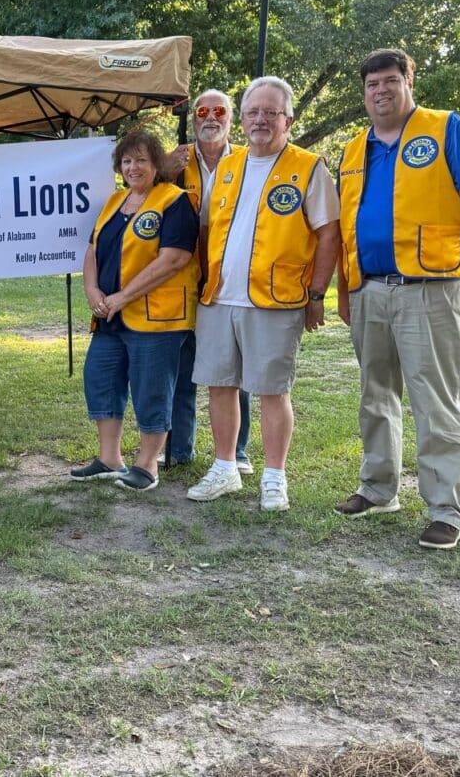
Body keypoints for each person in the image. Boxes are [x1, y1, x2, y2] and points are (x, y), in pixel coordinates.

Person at [333, 48, 460, 549]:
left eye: (390, 81)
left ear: (409, 82)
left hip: (430, 289)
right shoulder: (353, 149)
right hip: (369, 289)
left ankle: (447, 508)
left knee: (435, 399)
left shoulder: (446, 128)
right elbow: (345, 225)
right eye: (371, 85)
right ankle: (378, 488)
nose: (380, 91)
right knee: (375, 394)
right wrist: (346, 288)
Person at [187, 76, 340, 511]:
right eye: (253, 112)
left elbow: (329, 235)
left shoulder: (309, 167)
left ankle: (275, 477)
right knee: (220, 386)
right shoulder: (228, 167)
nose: (260, 120)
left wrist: (316, 295)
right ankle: (225, 467)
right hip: (219, 297)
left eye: (270, 113)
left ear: (287, 120)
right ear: (243, 119)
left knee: (272, 390)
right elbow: (206, 229)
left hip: (275, 299)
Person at [72, 130, 201, 491]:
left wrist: (122, 297)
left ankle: (147, 466)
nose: (133, 167)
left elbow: (174, 259)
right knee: (100, 378)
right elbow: (92, 249)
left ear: (157, 163)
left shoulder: (175, 201)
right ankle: (109, 459)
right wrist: (92, 290)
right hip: (110, 317)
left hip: (156, 319)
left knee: (151, 388)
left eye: (142, 160)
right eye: (127, 161)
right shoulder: (115, 201)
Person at [166, 90, 254, 472]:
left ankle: (238, 452)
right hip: (184, 277)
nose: (211, 117)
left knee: (234, 371)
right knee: (182, 366)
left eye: (220, 110)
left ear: (232, 118)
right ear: (194, 118)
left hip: (231, 278)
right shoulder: (177, 160)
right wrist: (163, 170)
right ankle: (178, 449)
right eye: (203, 110)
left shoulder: (249, 160)